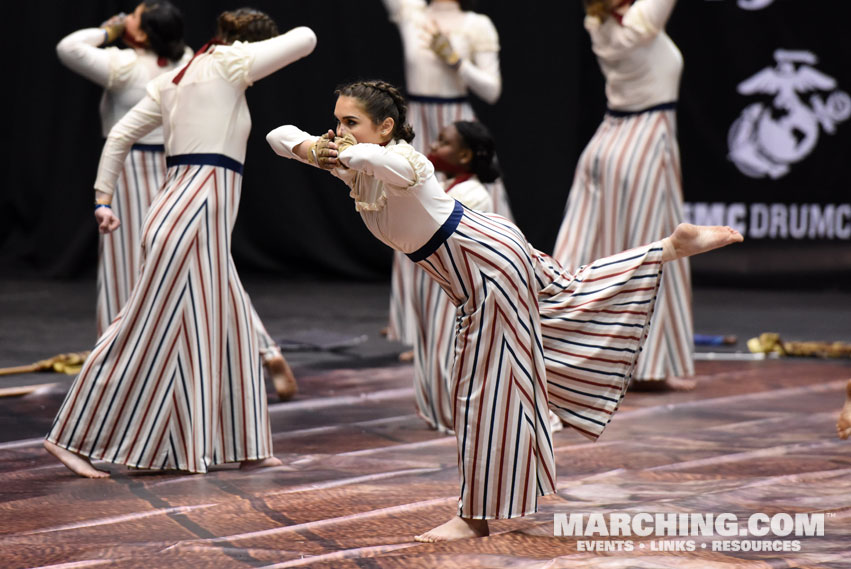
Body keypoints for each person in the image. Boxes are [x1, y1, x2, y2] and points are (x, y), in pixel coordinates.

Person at [265, 79, 743, 541]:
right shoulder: (356, 165)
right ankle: (664, 249)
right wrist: (311, 149)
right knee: (570, 294)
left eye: (350, 121)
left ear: (386, 127)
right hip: (493, 247)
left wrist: (334, 152)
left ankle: (473, 517)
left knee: (479, 388)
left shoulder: (402, 160)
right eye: (336, 122)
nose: (339, 131)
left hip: (481, 264)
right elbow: (277, 135)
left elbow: (369, 157)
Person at [43, 9, 317, 479]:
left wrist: (103, 200)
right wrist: (245, 52)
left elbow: (120, 137)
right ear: (248, 46)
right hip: (191, 216)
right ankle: (69, 437)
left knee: (229, 325)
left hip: (188, 214)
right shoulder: (229, 65)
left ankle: (247, 443)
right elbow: (307, 36)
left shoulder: (177, 77)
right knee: (139, 329)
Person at [552, 0, 695, 391]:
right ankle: (643, 364)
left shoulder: (596, 20)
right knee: (652, 249)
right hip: (645, 141)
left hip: (608, 140)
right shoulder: (639, 19)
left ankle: (558, 343)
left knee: (587, 245)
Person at [379, 0, 512, 352]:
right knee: (410, 219)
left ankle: (492, 312)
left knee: (473, 220)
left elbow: (492, 89)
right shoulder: (412, 12)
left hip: (456, 125)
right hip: (417, 123)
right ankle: (421, 330)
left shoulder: (476, 24)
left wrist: (456, 61)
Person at [414, 120, 496, 432]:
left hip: (453, 282)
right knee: (430, 347)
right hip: (434, 276)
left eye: (443, 142)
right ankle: (440, 410)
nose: (434, 146)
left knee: (445, 347)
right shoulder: (448, 185)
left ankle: (459, 414)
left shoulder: (472, 193)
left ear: (464, 156)